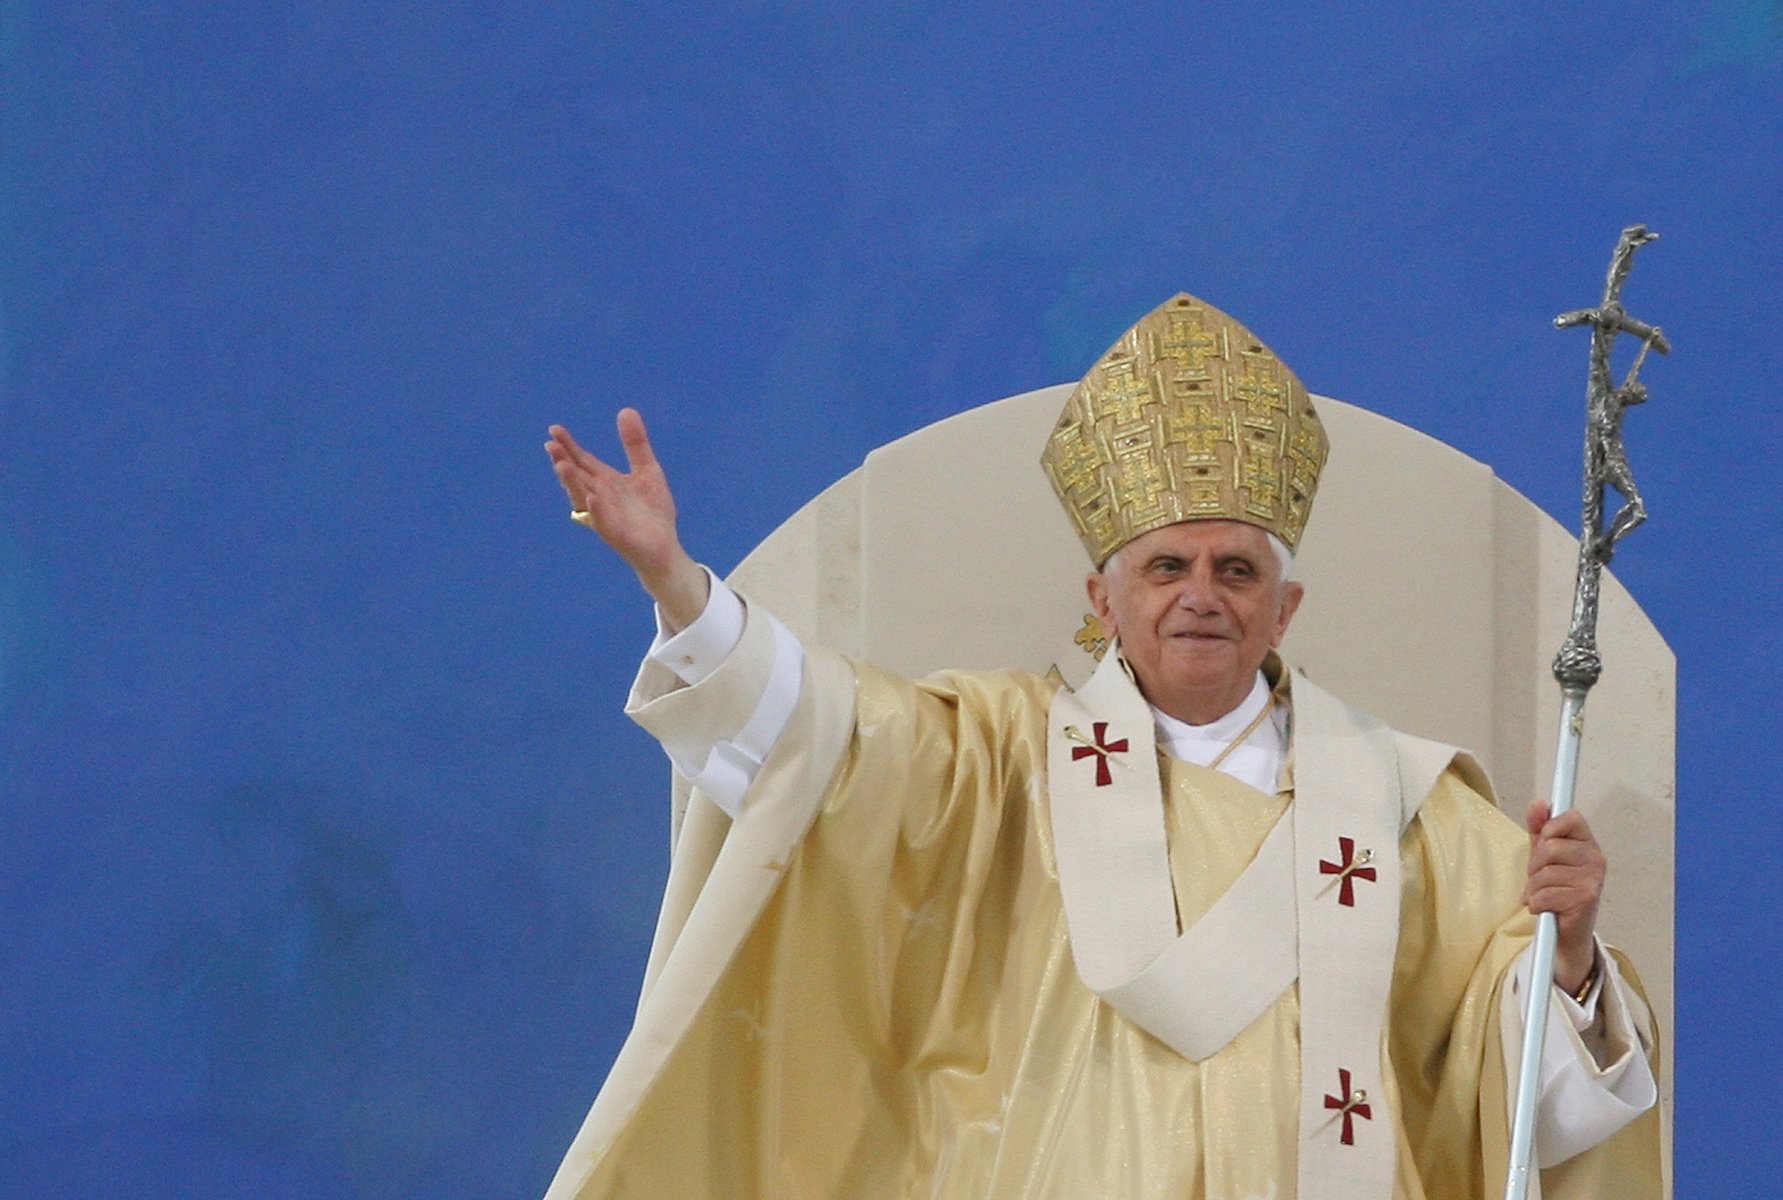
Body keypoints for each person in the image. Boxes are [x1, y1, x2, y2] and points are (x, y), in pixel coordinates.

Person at [540, 294, 1662, 1199]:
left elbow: (1528, 1115)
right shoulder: (994, 763)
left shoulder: (1412, 808)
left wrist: (1567, 960)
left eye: (1237, 570)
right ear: (1103, 600)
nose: (1201, 597)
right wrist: (680, 588)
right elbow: (815, 738)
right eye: (1166, 568)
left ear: (1285, 607)